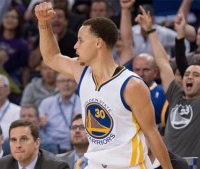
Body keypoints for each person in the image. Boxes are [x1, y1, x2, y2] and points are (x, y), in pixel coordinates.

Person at [35, 1, 172, 168]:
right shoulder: (82, 72)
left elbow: (152, 135)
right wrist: (43, 22)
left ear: (98, 43)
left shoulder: (131, 85)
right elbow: (51, 58)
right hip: (95, 163)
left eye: (81, 40)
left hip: (128, 165)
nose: (75, 46)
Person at [135, 2, 200, 168]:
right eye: (187, 74)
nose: (189, 77)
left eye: (196, 75)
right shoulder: (175, 95)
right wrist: (151, 31)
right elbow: (163, 63)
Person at [0, 120, 70, 169]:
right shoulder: (2, 165)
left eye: (23, 139)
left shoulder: (57, 167)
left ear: (36, 143)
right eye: (13, 140)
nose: (18, 145)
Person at [38, 73, 81, 153]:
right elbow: (38, 126)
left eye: (69, 81)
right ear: (56, 84)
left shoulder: (83, 103)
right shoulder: (46, 103)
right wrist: (41, 123)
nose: (66, 84)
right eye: (62, 81)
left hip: (75, 146)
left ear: (76, 84)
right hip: (50, 147)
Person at [132, 54, 168, 133]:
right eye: (137, 70)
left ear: (155, 72)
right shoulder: (124, 92)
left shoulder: (164, 94)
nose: (141, 74)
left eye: (146, 70)